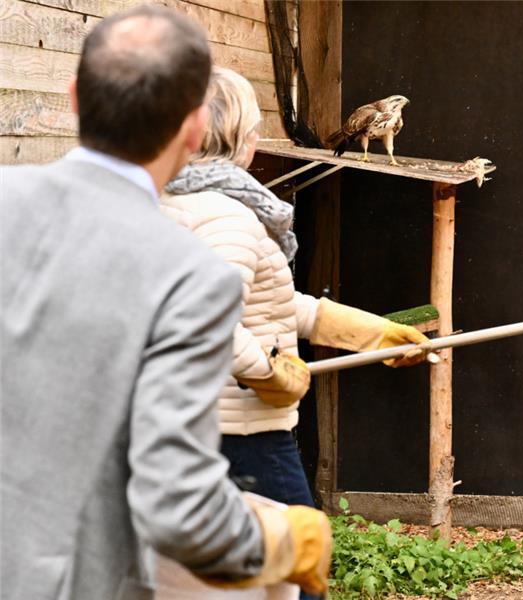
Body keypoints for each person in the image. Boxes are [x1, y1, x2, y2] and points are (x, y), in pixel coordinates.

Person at [0, 7, 331, 599]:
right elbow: (177, 508)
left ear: (76, 97)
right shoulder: (192, 279)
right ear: (194, 126)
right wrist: (286, 538)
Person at [160, 66, 431, 596]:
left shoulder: (174, 204)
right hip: (241, 435)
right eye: (254, 127)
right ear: (240, 139)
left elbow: (273, 303)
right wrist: (266, 375)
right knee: (298, 573)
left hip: (194, 427)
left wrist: (371, 333)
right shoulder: (225, 218)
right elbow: (205, 318)